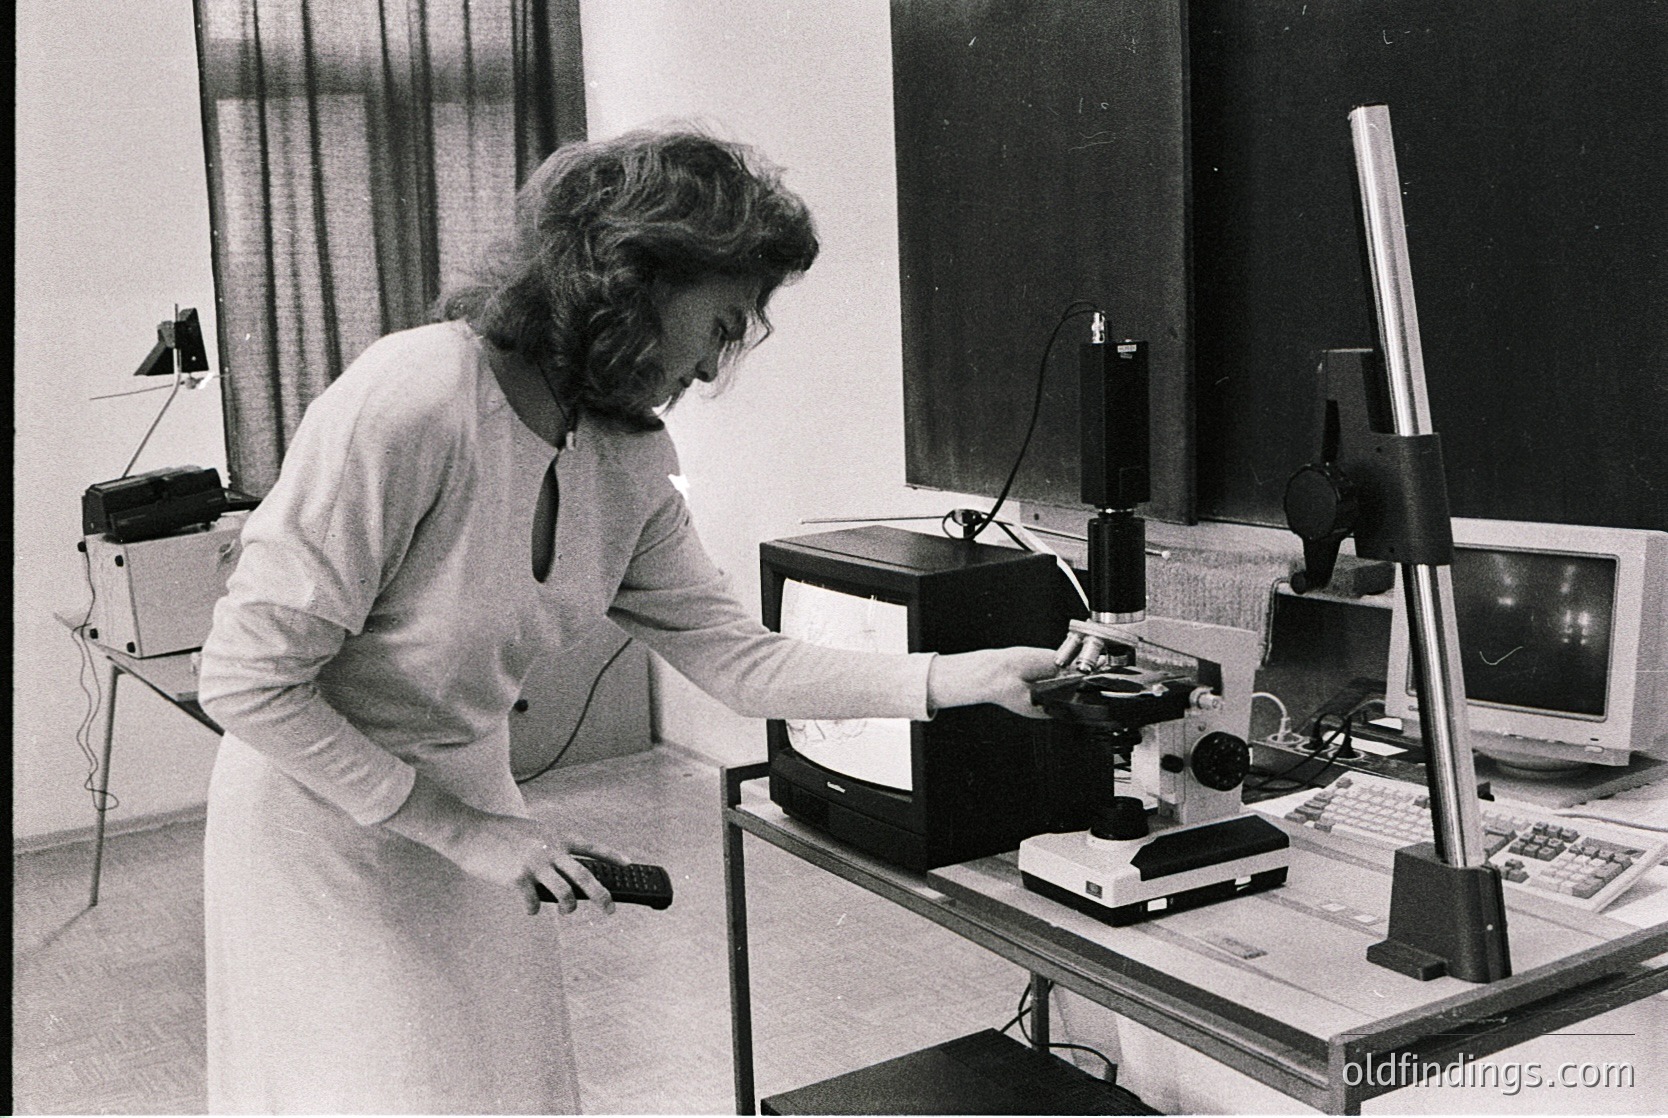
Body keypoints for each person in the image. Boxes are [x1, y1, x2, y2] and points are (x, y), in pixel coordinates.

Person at [197, 128, 1057, 1114]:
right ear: (633, 277)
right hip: (320, 817)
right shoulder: (415, 397)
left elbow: (741, 661)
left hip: (474, 809)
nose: (717, 363)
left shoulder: (627, 454)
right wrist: (466, 833)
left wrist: (962, 677)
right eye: (721, 322)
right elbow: (247, 683)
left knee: (504, 1093)